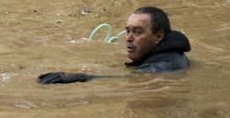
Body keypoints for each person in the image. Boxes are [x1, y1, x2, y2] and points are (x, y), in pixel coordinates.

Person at [38, 6, 191, 84]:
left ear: (158, 36)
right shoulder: (171, 54)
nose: (128, 38)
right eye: (127, 31)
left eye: (137, 32)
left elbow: (131, 81)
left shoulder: (161, 67)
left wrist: (78, 77)